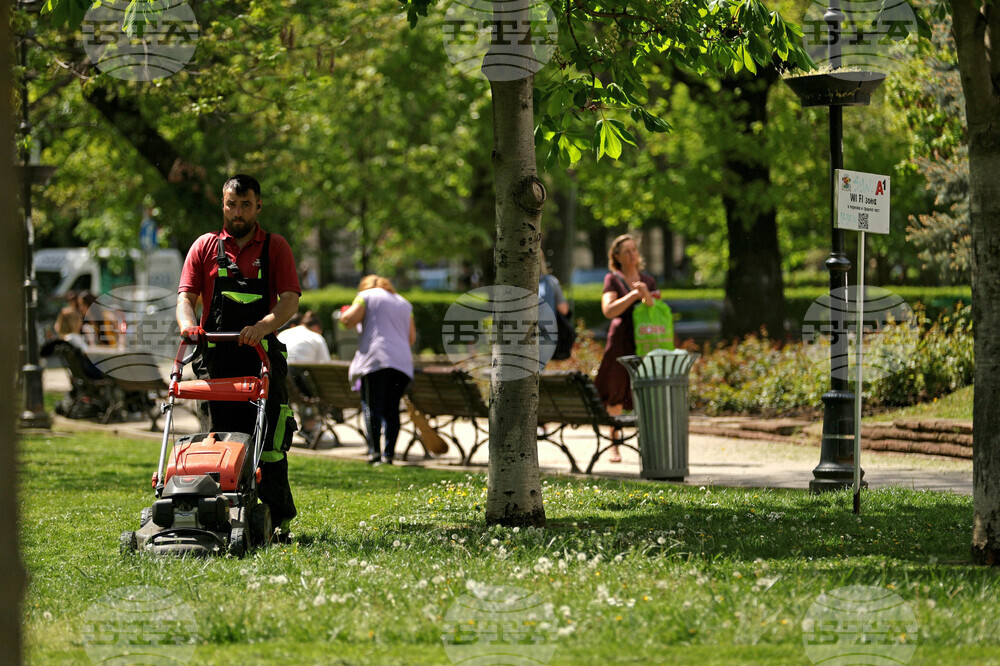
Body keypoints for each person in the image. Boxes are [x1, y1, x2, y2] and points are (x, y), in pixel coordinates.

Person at [176, 174, 301, 540]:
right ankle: (216, 513)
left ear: (258, 206)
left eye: (246, 205)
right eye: (232, 204)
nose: (238, 212)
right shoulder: (204, 247)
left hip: (261, 359)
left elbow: (289, 301)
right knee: (217, 439)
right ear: (223, 204)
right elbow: (186, 298)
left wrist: (262, 327)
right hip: (215, 361)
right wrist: (188, 326)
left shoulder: (275, 247)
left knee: (270, 445)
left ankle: (278, 519)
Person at [593, 234, 659, 463]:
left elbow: (656, 310)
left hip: (645, 341)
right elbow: (609, 310)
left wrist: (646, 296)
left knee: (646, 392)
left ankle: (648, 446)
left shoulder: (648, 280)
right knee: (616, 392)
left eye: (634, 250)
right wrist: (633, 295)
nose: (632, 255)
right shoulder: (613, 279)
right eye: (627, 251)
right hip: (620, 342)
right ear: (617, 256)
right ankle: (614, 446)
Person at [340, 275, 416, 465]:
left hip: (376, 360)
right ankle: (389, 454)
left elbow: (348, 320)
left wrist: (344, 314)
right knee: (392, 409)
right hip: (402, 362)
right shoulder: (404, 303)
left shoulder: (364, 296)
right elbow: (411, 338)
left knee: (372, 406)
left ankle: (374, 452)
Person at [278, 310, 332, 441]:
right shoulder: (316, 338)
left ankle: (306, 426)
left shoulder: (283, 334)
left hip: (281, 384)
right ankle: (309, 426)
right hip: (303, 388)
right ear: (317, 327)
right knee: (312, 382)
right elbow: (326, 366)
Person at [538, 255, 569, 370]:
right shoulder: (550, 281)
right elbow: (564, 309)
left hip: (522, 331)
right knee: (539, 367)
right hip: (547, 332)